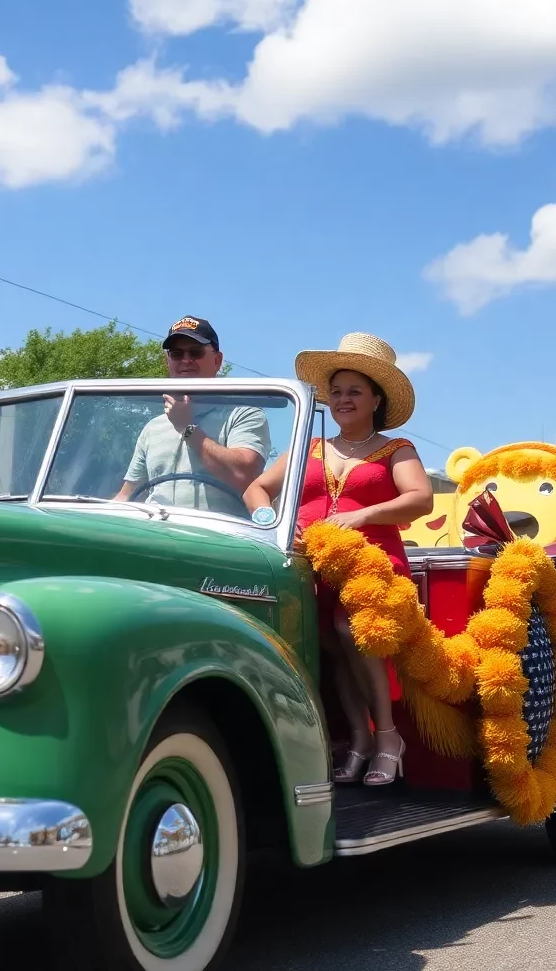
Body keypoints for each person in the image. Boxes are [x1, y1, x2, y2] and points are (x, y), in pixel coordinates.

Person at [245, 333, 433, 786]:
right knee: (330, 645)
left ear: (376, 400)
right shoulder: (307, 448)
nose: (343, 400)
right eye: (337, 391)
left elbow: (421, 499)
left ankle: (388, 738)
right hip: (310, 564)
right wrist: (273, 520)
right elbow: (257, 489)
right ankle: (359, 740)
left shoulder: (396, 449)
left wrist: (364, 514)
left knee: (354, 631)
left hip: (373, 564)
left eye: (355, 391)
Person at [115, 316, 270, 514]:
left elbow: (245, 477)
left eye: (195, 352)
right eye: (177, 354)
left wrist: (187, 428)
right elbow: (127, 494)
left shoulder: (244, 414)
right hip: (153, 534)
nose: (186, 360)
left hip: (217, 538)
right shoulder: (153, 427)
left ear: (217, 360)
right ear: (168, 361)